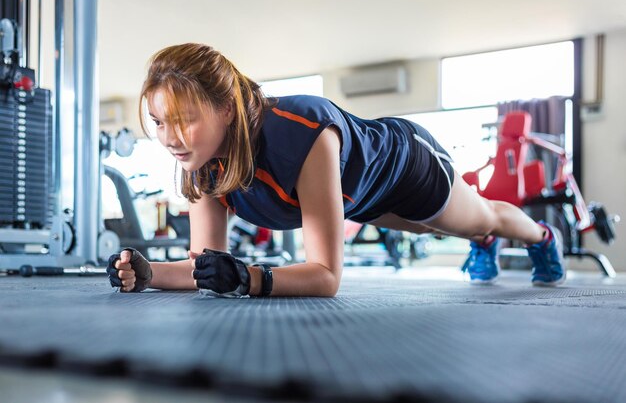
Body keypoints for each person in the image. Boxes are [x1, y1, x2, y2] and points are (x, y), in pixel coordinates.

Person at [107, 43, 566, 297]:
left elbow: (326, 276)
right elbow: (204, 264)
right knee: (432, 232)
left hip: (407, 165)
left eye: (185, 119)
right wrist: (149, 274)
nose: (170, 137)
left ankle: (543, 238)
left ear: (227, 109)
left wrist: (248, 278)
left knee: (479, 218)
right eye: (160, 121)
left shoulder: (300, 133)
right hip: (361, 196)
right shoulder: (201, 166)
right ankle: (481, 239)